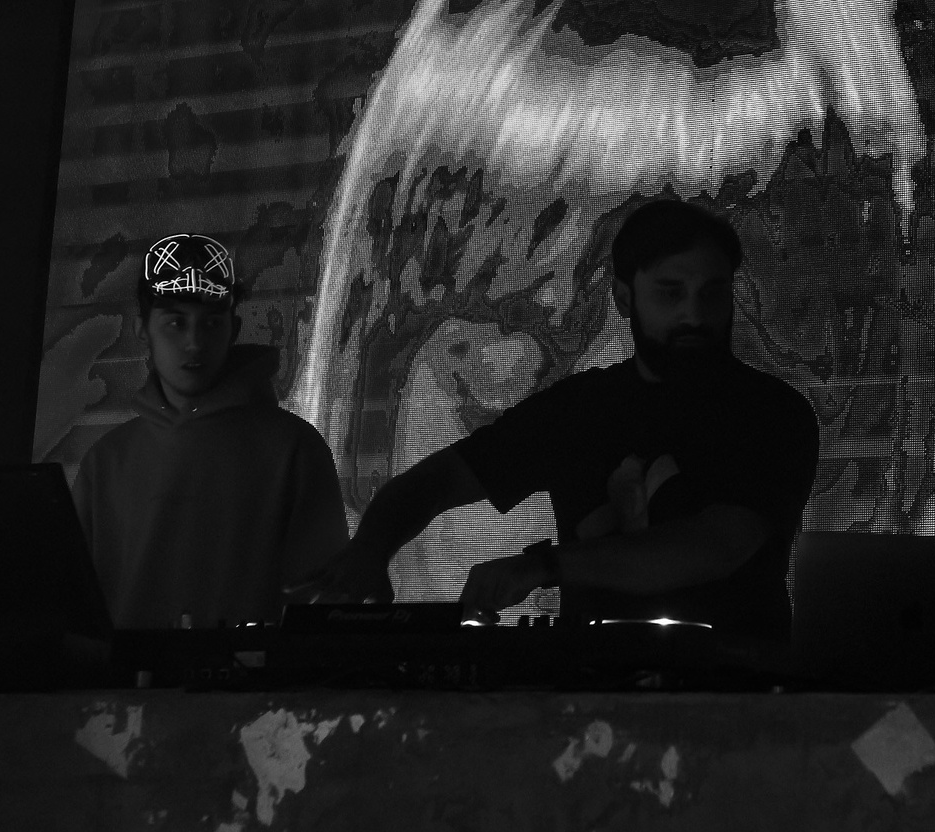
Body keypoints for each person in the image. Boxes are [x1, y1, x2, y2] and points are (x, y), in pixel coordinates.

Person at [299, 199, 821, 640]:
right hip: (589, 693)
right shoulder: (579, 408)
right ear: (623, 298)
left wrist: (544, 566)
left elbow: (717, 545)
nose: (696, 315)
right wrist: (370, 550)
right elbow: (438, 480)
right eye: (671, 292)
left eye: (713, 292)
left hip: (739, 696)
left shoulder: (774, 413)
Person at [72, 233, 349, 628]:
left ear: (233, 329)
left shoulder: (294, 449)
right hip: (130, 670)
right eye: (175, 322)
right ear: (142, 330)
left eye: (211, 323)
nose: (194, 342)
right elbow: (76, 612)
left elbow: (326, 606)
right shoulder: (106, 462)